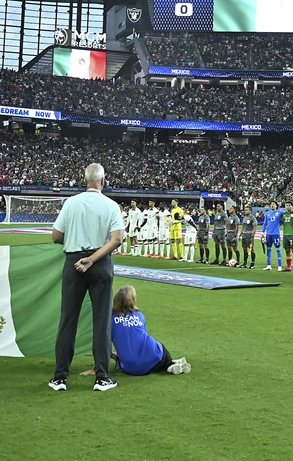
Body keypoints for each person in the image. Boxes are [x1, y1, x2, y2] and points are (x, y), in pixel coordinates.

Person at [50, 163, 124, 392]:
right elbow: (117, 239)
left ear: (85, 181)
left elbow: (55, 236)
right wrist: (92, 258)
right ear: (103, 181)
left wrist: (77, 248)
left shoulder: (71, 203)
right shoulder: (111, 205)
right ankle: (102, 377)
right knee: (101, 322)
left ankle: (60, 377)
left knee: (67, 320)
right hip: (100, 264)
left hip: (73, 262)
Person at [110, 285, 191, 377]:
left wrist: (114, 354)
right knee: (159, 348)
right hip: (150, 357)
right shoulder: (139, 315)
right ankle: (169, 364)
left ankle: (171, 364)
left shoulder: (111, 318)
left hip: (130, 367)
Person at [261, 201, 283, 271]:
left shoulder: (280, 212)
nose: (272, 205)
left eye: (273, 204)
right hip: (268, 234)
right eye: (271, 204)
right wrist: (262, 232)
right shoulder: (267, 213)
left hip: (276, 234)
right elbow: (265, 223)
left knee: (278, 249)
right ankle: (268, 265)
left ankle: (280, 266)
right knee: (269, 249)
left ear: (276, 206)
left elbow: (287, 214)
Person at [281, 202, 293, 272]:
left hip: (292, 234)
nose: (288, 206)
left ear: (292, 206)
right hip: (285, 235)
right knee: (287, 251)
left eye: (289, 205)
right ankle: (289, 267)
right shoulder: (283, 214)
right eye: (287, 205)